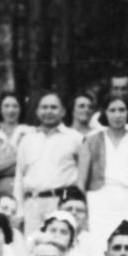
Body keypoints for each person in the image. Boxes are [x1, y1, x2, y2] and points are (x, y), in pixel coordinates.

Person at [78, 93, 128, 256]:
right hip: (98, 199)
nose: (118, 115)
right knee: (99, 245)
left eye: (122, 110)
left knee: (126, 244)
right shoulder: (91, 140)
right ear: (105, 113)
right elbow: (81, 180)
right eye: (112, 110)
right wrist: (84, 210)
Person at [15, 93, 84, 238]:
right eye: (44, 107)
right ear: (37, 111)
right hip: (32, 204)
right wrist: (19, 209)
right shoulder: (27, 139)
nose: (48, 111)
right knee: (32, 247)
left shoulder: (75, 138)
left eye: (54, 107)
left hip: (61, 202)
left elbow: (84, 174)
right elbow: (19, 178)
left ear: (63, 111)